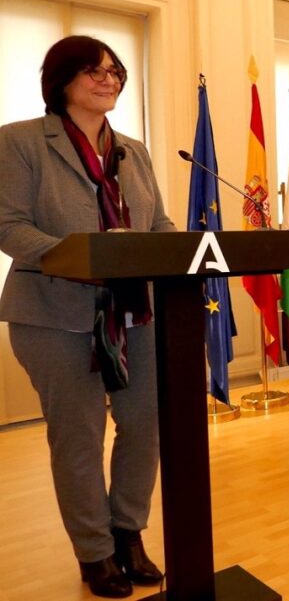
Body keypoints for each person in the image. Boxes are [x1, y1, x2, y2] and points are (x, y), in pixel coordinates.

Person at [0, 36, 176, 598]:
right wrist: (81, 260)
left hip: (135, 310)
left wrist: (181, 253)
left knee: (144, 425)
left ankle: (128, 533)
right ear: (61, 79)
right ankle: (94, 552)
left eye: (114, 71)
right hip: (54, 311)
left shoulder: (134, 150)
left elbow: (159, 226)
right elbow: (8, 226)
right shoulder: (21, 141)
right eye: (93, 71)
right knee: (79, 437)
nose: (108, 79)